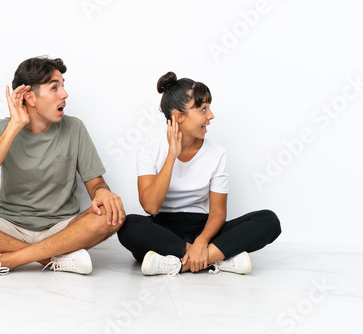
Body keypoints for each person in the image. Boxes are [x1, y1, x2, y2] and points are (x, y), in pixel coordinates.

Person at [0, 56, 125, 277]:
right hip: (8, 228)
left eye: (63, 86)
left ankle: (7, 260)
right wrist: (15, 126)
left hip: (62, 230)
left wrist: (103, 193)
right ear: (30, 98)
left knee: (112, 214)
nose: (64, 94)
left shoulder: (75, 128)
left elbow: (96, 182)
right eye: (55, 87)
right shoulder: (0, 129)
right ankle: (53, 259)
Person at [117, 72, 281, 276]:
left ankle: (179, 263)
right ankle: (218, 259)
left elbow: (218, 213)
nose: (210, 116)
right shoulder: (150, 149)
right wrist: (171, 157)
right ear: (179, 116)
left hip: (204, 230)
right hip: (164, 231)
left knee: (268, 220)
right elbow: (150, 206)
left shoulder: (216, 153)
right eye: (203, 109)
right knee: (128, 225)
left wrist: (202, 242)